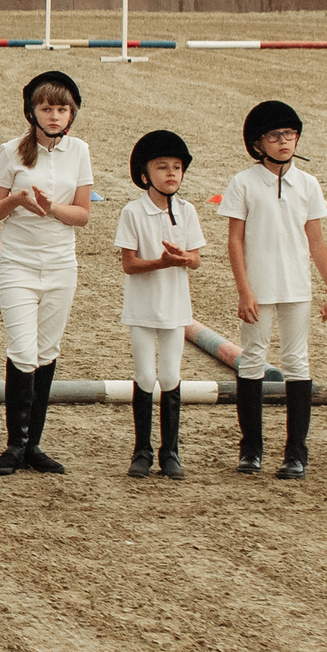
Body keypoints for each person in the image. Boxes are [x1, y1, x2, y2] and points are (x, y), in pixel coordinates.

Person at [0, 72, 93, 477]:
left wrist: (52, 209)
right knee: (23, 350)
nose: (53, 115)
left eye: (61, 109)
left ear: (71, 114)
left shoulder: (79, 151)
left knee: (48, 352)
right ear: (32, 111)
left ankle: (33, 444)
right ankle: (14, 445)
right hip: (19, 263)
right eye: (46, 108)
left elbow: (82, 214)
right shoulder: (11, 150)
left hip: (61, 264)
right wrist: (17, 199)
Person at [224, 100, 327, 479]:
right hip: (258, 286)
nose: (284, 141)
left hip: (297, 287)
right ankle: (251, 450)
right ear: (258, 144)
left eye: (290, 135)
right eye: (275, 136)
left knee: (297, 362)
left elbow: (317, 241)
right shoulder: (242, 183)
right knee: (253, 359)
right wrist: (244, 290)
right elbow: (235, 241)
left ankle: (296, 453)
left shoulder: (308, 184)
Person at [117, 130, 203, 480]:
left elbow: (196, 258)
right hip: (141, 307)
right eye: (162, 167)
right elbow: (129, 263)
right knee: (144, 375)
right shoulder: (133, 212)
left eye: (177, 167)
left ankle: (171, 452)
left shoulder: (187, 210)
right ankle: (142, 450)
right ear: (145, 173)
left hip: (176, 306)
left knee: (170, 376)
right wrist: (160, 263)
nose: (171, 173)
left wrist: (184, 260)